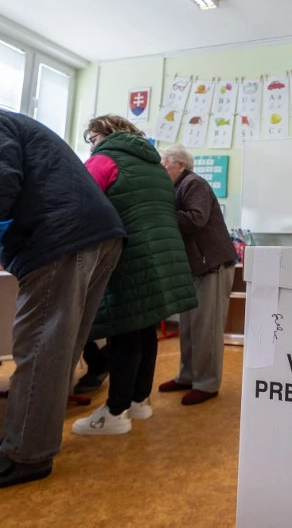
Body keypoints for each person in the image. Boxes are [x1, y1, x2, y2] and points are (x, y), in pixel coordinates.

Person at [0, 98, 125, 494]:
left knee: (41, 347)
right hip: (98, 235)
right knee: (61, 347)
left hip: (59, 239)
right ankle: (28, 435)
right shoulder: (24, 128)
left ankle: (24, 454)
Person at [71, 116, 197, 435]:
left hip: (129, 254)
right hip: (161, 255)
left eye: (92, 138)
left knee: (123, 328)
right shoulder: (154, 165)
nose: (92, 145)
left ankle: (115, 412)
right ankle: (139, 401)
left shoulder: (104, 160)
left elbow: (77, 201)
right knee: (144, 328)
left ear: (101, 135)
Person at [157, 144, 236, 406]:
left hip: (210, 265)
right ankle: (187, 375)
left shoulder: (194, 184)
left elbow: (195, 219)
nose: (160, 167)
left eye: (163, 163)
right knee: (189, 327)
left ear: (179, 164)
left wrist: (160, 213)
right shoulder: (177, 187)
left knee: (207, 328)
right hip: (195, 266)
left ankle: (206, 383)